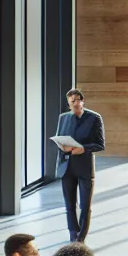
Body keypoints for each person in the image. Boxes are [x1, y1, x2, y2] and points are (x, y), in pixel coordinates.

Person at [55, 89, 106, 243]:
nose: (76, 103)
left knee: (85, 205)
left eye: (78, 100)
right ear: (69, 104)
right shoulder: (63, 118)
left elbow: (100, 144)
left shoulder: (94, 118)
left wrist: (83, 148)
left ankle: (81, 238)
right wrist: (62, 147)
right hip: (67, 166)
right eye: (72, 101)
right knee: (69, 205)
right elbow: (59, 139)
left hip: (84, 166)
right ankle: (73, 233)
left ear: (82, 101)